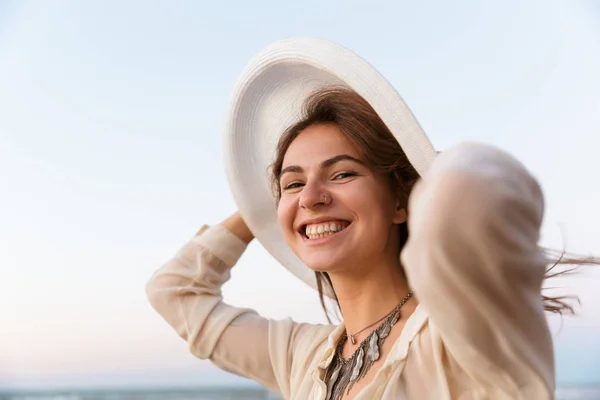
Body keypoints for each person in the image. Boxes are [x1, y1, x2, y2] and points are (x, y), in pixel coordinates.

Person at [146, 39, 595, 400]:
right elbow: (173, 292)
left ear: (402, 202)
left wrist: (423, 167)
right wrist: (261, 207)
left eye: (342, 173)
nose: (313, 197)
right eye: (294, 182)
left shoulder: (464, 336)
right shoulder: (303, 357)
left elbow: (468, 188)